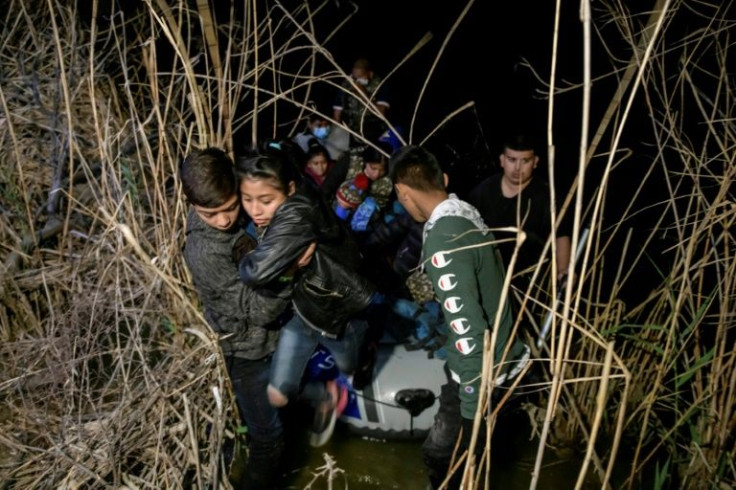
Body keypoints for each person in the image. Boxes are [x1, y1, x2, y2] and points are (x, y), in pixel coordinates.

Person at [390, 145, 531, 489]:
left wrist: (471, 421)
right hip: (505, 358)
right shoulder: (463, 211)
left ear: (402, 192)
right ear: (444, 180)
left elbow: (470, 335)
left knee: (443, 456)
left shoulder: (443, 239)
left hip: (485, 371)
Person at [179, 147, 314, 488]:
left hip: (278, 339)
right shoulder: (204, 251)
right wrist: (287, 267)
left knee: (287, 419)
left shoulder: (245, 206)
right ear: (192, 204)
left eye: (229, 207)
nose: (224, 220)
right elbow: (257, 310)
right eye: (211, 214)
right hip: (246, 353)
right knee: (268, 440)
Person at [234, 146, 376, 448]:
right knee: (277, 395)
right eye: (247, 199)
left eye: (266, 200)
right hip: (303, 312)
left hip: (336, 315)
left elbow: (254, 272)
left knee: (350, 367)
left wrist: (267, 263)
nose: (255, 210)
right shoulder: (271, 216)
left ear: (290, 189)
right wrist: (289, 268)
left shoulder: (298, 212)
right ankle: (326, 395)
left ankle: (367, 348)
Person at [467, 133, 572, 287]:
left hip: (533, 281)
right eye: (512, 160)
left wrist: (563, 270)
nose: (517, 168)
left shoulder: (547, 196)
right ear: (502, 160)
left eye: (525, 161)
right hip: (490, 277)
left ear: (535, 162)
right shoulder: (482, 192)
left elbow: (561, 235)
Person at [333, 58, 390, 145]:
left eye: (361, 76)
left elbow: (381, 113)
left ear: (370, 74)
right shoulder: (346, 84)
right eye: (355, 76)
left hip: (375, 133)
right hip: (351, 132)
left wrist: (363, 93)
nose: (357, 80)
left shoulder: (380, 85)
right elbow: (337, 112)